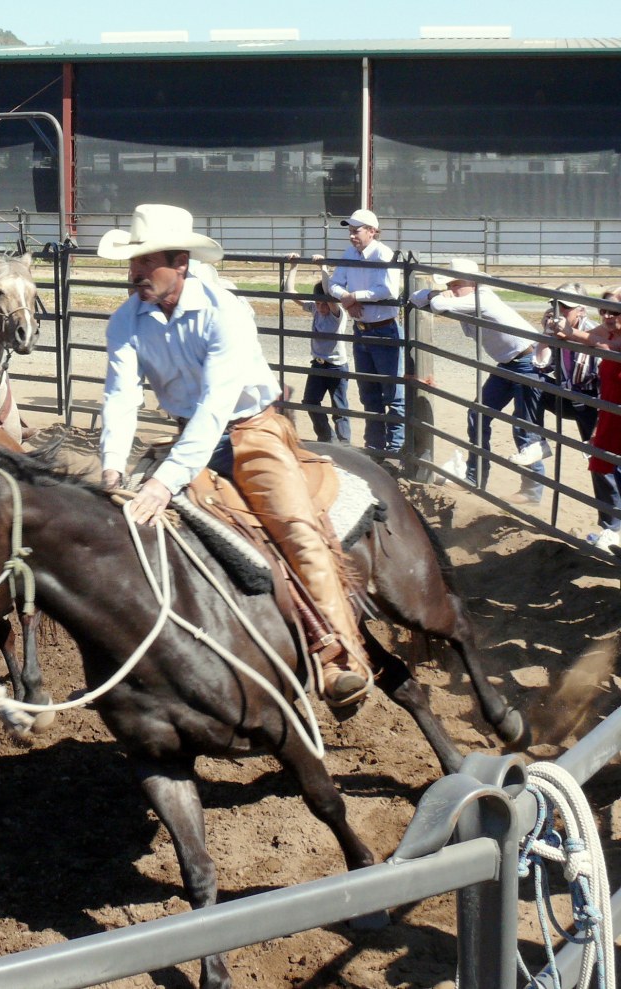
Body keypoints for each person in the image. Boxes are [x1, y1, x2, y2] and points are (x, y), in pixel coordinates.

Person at [97, 203, 371, 711]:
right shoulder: (127, 321)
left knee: (297, 529)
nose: (133, 273)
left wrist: (164, 482)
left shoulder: (225, 310)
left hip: (252, 430)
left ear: (179, 261)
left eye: (145, 262)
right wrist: (112, 464)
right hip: (188, 439)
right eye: (132, 264)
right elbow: (120, 395)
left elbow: (215, 404)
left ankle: (340, 661)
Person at [409, 258, 545, 505]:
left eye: (456, 283)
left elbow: (437, 304)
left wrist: (441, 296)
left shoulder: (481, 298)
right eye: (450, 283)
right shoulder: (469, 298)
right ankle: (474, 477)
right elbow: (417, 297)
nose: (452, 288)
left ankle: (532, 489)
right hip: (510, 362)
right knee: (478, 413)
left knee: (524, 426)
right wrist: (438, 293)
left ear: (472, 282)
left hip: (527, 361)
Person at [325, 209, 403, 454]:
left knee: (392, 392)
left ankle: (394, 448)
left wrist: (352, 296)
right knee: (369, 392)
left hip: (383, 329)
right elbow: (335, 283)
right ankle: (375, 446)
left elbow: (389, 290)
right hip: (364, 329)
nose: (351, 236)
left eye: (355, 231)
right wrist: (347, 298)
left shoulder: (384, 254)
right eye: (350, 231)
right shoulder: (351, 253)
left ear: (371, 231)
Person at [556, 286, 621, 550]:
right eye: (602, 310)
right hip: (610, 412)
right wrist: (558, 324)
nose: (606, 316)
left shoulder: (611, 338)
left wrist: (574, 333)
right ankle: (612, 529)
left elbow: (608, 346)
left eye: (613, 311)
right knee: (601, 465)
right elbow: (569, 335)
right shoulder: (608, 330)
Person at [285, 253, 351, 445]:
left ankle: (344, 443)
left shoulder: (337, 313)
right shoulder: (314, 308)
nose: (321, 307)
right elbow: (290, 292)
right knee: (310, 402)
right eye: (318, 303)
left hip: (336, 366)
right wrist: (294, 266)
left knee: (339, 407)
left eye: (323, 303)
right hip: (318, 364)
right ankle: (327, 439)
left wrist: (323, 268)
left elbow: (329, 294)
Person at [537, 282, 600, 448]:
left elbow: (605, 382)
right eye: (555, 305)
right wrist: (546, 335)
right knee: (528, 381)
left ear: (581, 310)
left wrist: (600, 424)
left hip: (593, 403)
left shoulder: (592, 333)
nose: (559, 311)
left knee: (600, 460)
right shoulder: (556, 332)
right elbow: (542, 367)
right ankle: (534, 444)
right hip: (570, 397)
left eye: (565, 306)